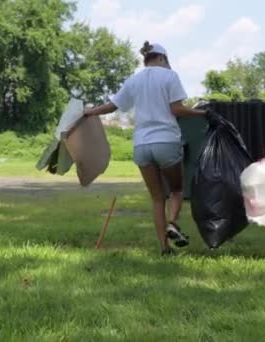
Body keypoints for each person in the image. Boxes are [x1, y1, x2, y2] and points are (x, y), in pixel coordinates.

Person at [84, 41, 208, 256]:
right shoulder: (170, 76)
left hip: (141, 145)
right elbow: (177, 109)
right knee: (177, 190)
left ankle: (164, 248)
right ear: (161, 58)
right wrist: (203, 113)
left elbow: (113, 106)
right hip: (166, 141)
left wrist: (89, 112)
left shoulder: (134, 80)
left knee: (157, 198)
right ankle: (172, 223)